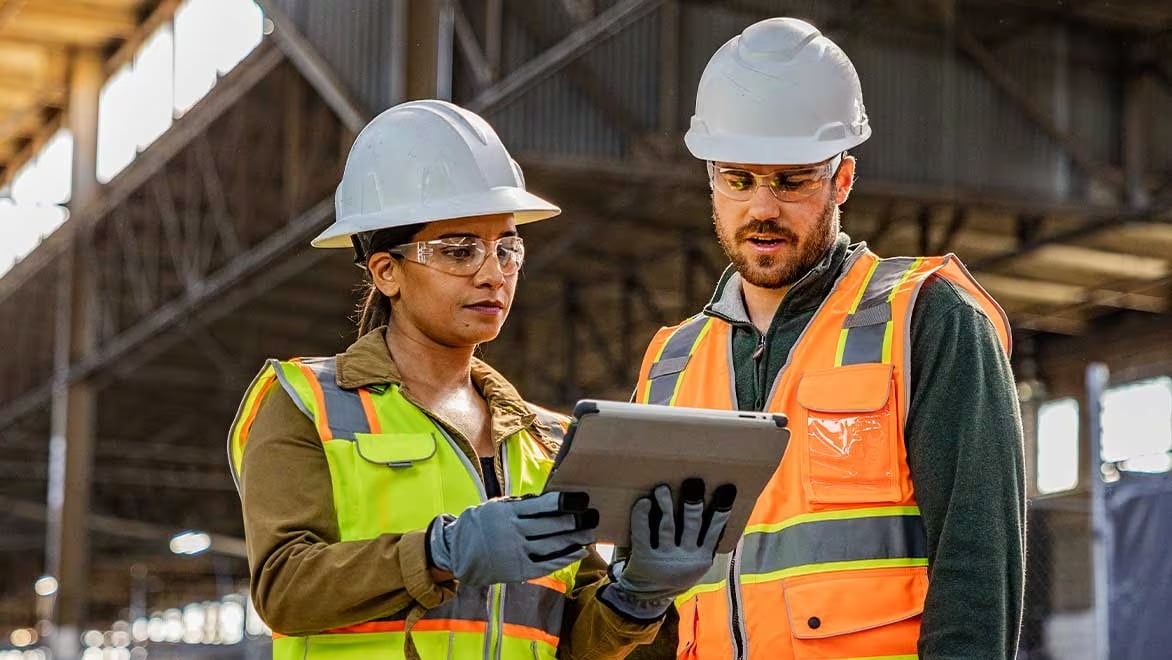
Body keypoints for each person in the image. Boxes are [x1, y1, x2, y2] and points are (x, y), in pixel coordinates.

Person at [227, 100, 733, 660]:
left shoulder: (550, 442)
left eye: (507, 248)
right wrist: (440, 552)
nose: (493, 273)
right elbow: (284, 587)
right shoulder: (308, 403)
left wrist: (636, 597)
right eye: (459, 249)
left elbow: (569, 642)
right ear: (386, 272)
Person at [629, 17, 1025, 660]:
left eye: (792, 181)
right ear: (710, 179)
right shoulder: (670, 365)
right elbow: (651, 603)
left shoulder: (927, 319)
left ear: (842, 179)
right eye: (738, 180)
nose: (762, 208)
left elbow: (977, 565)